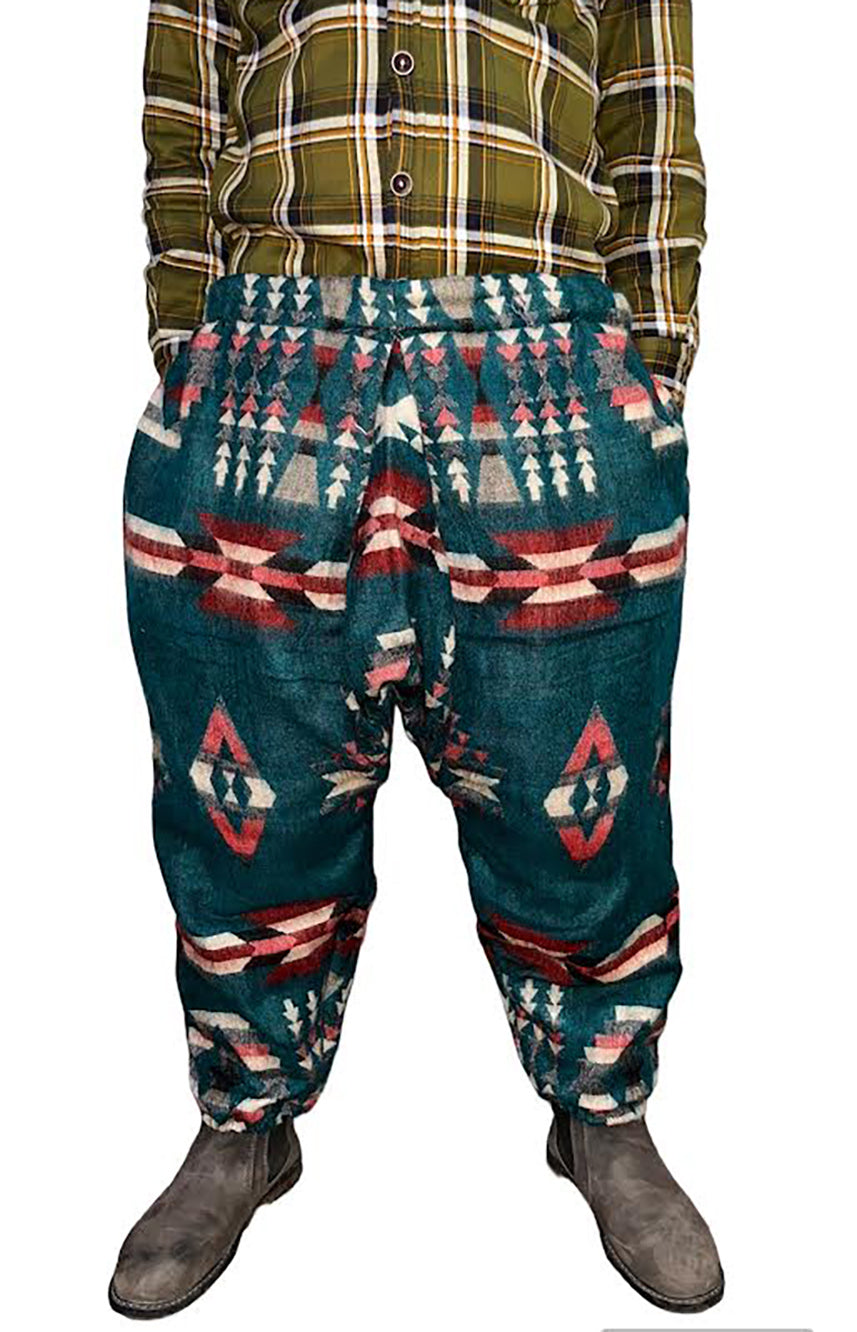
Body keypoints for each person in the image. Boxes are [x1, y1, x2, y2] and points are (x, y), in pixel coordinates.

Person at [110, 0, 722, 1317]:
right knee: (249, 794)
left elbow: (650, 112)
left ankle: (601, 1109)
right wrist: (195, 348)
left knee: (576, 783)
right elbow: (185, 101)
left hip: (545, 351)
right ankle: (244, 1120)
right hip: (270, 354)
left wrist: (645, 374)